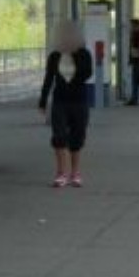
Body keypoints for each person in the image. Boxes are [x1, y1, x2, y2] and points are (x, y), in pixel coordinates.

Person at [38, 21, 93, 188]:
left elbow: (86, 74)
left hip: (79, 101)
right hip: (60, 101)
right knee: (59, 136)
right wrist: (43, 101)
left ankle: (75, 173)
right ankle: (61, 172)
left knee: (77, 137)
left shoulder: (84, 54)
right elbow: (48, 79)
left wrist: (75, 55)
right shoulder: (54, 56)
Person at [124, 18, 139, 106]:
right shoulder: (135, 33)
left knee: (136, 80)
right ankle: (135, 98)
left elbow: (136, 47)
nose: (130, 27)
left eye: (131, 26)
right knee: (135, 80)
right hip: (136, 59)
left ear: (135, 25)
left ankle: (135, 98)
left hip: (138, 60)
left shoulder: (138, 34)